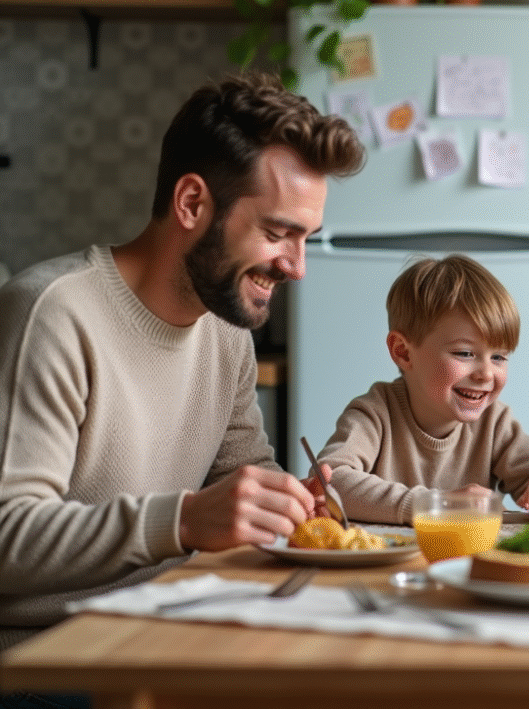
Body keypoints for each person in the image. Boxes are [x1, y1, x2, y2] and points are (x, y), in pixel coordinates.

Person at [0, 71, 366, 656]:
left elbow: (238, 480)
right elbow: (7, 534)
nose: (297, 266)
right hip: (50, 660)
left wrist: (288, 503)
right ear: (192, 203)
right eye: (278, 233)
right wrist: (186, 520)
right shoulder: (54, 314)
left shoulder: (225, 330)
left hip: (168, 629)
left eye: (307, 239)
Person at [319, 254, 529, 523]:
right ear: (403, 353)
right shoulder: (375, 413)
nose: (486, 374)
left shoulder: (495, 423)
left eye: (499, 357)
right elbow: (330, 480)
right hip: (389, 563)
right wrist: (435, 505)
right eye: (465, 353)